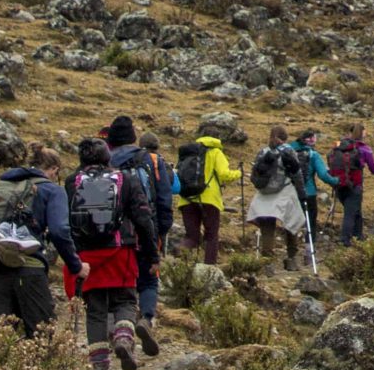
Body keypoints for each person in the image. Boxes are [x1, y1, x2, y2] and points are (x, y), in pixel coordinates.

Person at [0, 144, 82, 335]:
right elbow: (60, 231)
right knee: (41, 337)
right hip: (28, 268)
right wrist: (76, 266)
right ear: (54, 170)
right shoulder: (52, 190)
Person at [65, 136, 156, 370]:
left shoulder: (71, 182)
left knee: (95, 310)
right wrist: (151, 253)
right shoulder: (125, 179)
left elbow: (67, 222)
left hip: (86, 257)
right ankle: (124, 337)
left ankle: (98, 366)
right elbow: (143, 218)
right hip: (120, 251)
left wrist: (70, 256)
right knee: (125, 300)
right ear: (108, 156)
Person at [105, 114, 172, 356]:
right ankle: (146, 317)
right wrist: (161, 231)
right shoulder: (152, 160)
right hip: (148, 228)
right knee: (149, 278)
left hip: (115, 234)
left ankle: (119, 329)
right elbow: (164, 199)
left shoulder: (106, 162)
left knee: (122, 282)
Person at [177, 119, 239, 262]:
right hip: (209, 199)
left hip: (187, 198)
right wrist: (239, 173)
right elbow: (224, 175)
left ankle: (177, 260)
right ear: (218, 138)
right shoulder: (216, 152)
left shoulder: (189, 152)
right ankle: (209, 268)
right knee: (211, 235)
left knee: (191, 237)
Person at [246, 129, 309, 269]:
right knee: (291, 223)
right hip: (285, 191)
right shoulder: (289, 151)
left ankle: (266, 261)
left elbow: (254, 175)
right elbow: (296, 172)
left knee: (267, 227)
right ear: (285, 138)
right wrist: (302, 193)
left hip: (264, 194)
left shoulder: (263, 152)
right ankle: (291, 258)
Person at [326, 124, 374, 243]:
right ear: (362, 133)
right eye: (365, 132)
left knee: (356, 211)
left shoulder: (338, 145)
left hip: (338, 184)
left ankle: (358, 236)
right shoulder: (364, 149)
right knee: (350, 213)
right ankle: (345, 240)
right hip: (354, 186)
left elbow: (329, 158)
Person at [285, 127, 339, 243]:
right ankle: (309, 250)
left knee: (291, 222)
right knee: (310, 222)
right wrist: (336, 182)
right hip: (309, 193)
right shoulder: (313, 155)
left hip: (291, 193)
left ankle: (291, 251)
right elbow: (323, 175)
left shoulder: (288, 151)